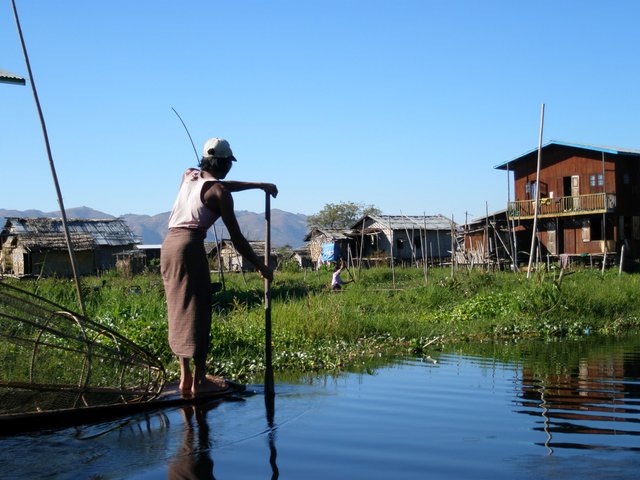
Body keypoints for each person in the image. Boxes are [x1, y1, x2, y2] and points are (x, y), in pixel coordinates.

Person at [161, 137, 277, 395]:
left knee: (179, 308)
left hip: (168, 246)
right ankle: (200, 381)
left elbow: (219, 184)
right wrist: (260, 266)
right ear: (226, 163)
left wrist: (258, 185)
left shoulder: (188, 174)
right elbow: (236, 239)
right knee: (199, 309)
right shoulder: (220, 194)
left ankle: (185, 378)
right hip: (189, 247)